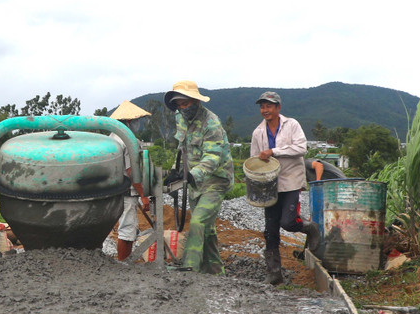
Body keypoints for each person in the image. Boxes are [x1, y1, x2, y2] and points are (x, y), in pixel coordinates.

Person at [250, 91, 321, 284]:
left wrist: (274, 151)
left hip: (290, 181)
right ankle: (274, 274)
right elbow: (255, 159)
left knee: (288, 222)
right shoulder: (258, 132)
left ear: (278, 107)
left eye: (269, 106)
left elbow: (301, 148)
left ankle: (309, 227)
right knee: (270, 230)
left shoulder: (292, 125)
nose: (265, 110)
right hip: (270, 185)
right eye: (262, 107)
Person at [163, 80, 233, 274]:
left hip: (215, 180)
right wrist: (175, 172)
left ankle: (190, 268)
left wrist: (193, 175)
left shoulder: (211, 123)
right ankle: (216, 272)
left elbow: (212, 156)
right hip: (193, 181)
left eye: (186, 103)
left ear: (195, 101)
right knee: (207, 230)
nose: (182, 108)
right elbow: (182, 147)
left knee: (198, 221)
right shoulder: (180, 118)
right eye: (179, 104)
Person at [109, 101, 152, 262]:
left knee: (121, 227)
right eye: (136, 121)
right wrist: (143, 195)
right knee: (127, 230)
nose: (137, 124)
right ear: (128, 122)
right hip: (127, 192)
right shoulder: (128, 140)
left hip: (113, 191)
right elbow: (132, 172)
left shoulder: (111, 139)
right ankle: (123, 264)